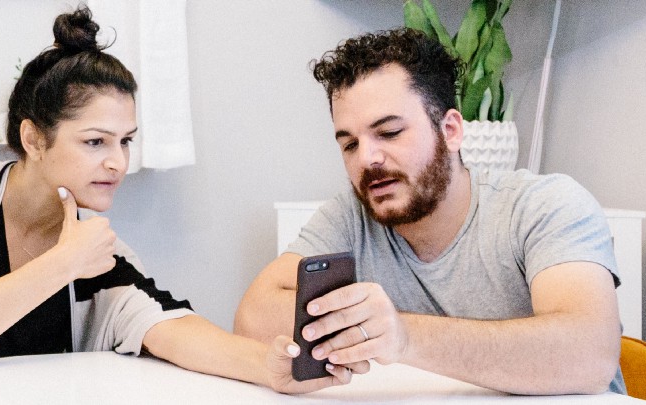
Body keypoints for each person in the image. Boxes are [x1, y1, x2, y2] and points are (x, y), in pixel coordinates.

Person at [0, 6, 368, 394]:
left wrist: (268, 366)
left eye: (126, 140)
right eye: (95, 141)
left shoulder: (98, 254)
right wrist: (62, 264)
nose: (118, 162)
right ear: (34, 138)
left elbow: (167, 324)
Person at [234, 28, 625, 396]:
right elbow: (251, 318)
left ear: (451, 130)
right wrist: (369, 324)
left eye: (389, 132)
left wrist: (403, 335)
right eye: (349, 144)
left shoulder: (544, 206)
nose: (367, 159)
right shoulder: (352, 216)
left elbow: (590, 355)